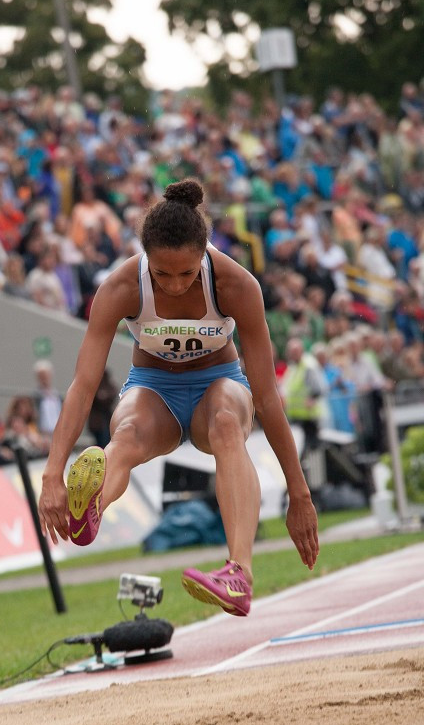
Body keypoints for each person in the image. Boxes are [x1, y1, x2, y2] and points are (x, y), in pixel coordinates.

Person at [37, 179, 319, 618]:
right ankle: (88, 511)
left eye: (186, 274)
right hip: (154, 388)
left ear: (205, 256)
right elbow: (82, 386)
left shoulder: (236, 286)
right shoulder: (120, 288)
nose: (172, 285)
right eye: (161, 273)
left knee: (228, 424)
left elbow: (266, 398)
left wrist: (298, 493)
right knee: (126, 432)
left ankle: (238, 574)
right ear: (144, 259)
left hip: (218, 383)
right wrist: (52, 473)